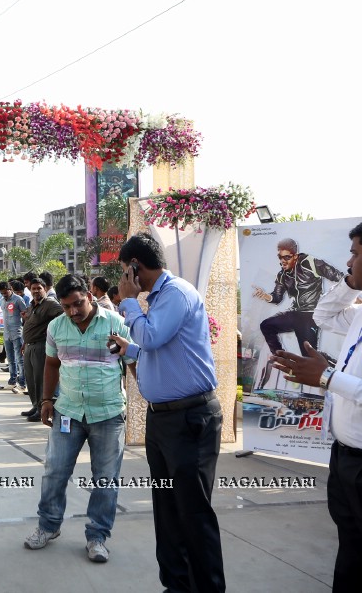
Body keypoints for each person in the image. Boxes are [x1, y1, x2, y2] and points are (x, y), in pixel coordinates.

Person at [114, 232, 225, 591]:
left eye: (125, 272)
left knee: (192, 512)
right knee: (167, 509)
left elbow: (153, 337)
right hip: (163, 419)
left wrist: (129, 303)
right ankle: (176, 585)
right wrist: (128, 349)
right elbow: (154, 349)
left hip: (189, 418)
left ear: (135, 266)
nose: (123, 281)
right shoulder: (160, 300)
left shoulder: (175, 292)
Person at [271, 222, 362, 592]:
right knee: (351, 552)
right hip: (344, 459)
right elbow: (323, 316)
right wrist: (350, 282)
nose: (349, 259)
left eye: (356, 252)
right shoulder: (359, 313)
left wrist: (326, 379)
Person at [25, 275, 134, 563]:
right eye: (66, 306)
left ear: (89, 294)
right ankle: (48, 526)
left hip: (108, 414)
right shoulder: (56, 327)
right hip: (68, 412)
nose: (73, 311)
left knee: (105, 480)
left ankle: (97, 536)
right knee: (55, 472)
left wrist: (142, 406)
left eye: (77, 304)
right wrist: (47, 400)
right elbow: (51, 363)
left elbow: (132, 365)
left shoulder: (116, 323)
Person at [253, 238, 343, 388]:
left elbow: (336, 275)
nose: (283, 261)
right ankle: (280, 358)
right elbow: (276, 298)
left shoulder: (310, 262)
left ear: (295, 256)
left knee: (309, 357)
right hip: (294, 313)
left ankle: (339, 366)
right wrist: (266, 296)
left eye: (287, 257)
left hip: (311, 315)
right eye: (280, 257)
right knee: (266, 325)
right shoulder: (282, 275)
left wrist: (352, 295)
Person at [22, 272, 62, 422]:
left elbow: (62, 315)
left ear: (45, 289)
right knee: (30, 379)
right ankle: (34, 405)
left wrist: (51, 331)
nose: (36, 291)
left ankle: (41, 409)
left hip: (41, 347)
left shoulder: (50, 304)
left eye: (39, 288)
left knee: (40, 379)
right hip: (29, 346)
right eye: (33, 288)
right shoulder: (32, 305)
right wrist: (24, 343)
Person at [0, 281, 28, 394]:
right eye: (2, 293)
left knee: (20, 359)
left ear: (11, 289)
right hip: (7, 334)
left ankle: (22, 383)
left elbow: (26, 315)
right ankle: (12, 381)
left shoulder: (18, 300)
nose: (4, 295)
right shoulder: (2, 301)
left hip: (17, 333)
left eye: (6, 292)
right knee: (10, 360)